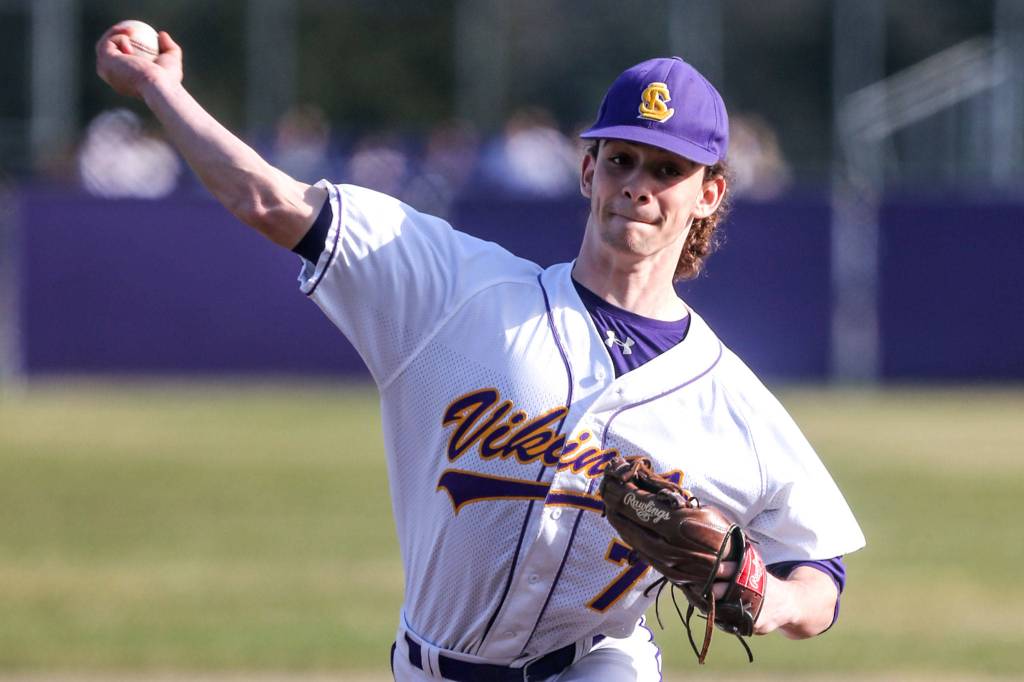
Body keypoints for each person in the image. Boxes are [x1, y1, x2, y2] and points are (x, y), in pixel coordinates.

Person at [96, 24, 865, 681]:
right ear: (588, 167)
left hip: (603, 661)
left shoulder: (726, 395)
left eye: (668, 169)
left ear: (709, 194)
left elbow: (820, 574)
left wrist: (770, 598)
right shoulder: (455, 291)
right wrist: (161, 90)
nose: (639, 184)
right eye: (623, 159)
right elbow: (265, 198)